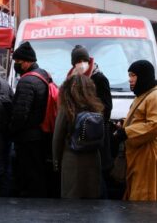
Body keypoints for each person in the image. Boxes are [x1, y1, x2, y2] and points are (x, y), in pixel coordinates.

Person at [10, 41, 54, 198]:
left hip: (28, 137)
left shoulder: (27, 81)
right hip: (41, 133)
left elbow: (20, 114)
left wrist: (11, 130)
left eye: (18, 62)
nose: (16, 65)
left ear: (27, 61)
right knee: (38, 170)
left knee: (29, 173)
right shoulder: (43, 74)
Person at [67, 45, 113, 198]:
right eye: (77, 61)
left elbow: (107, 107)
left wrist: (93, 120)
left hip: (96, 132)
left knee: (99, 172)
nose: (81, 63)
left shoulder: (99, 78)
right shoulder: (72, 78)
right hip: (81, 133)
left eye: (84, 60)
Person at [52, 75, 104, 199]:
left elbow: (57, 138)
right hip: (94, 159)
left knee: (72, 198)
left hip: (72, 159)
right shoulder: (97, 108)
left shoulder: (67, 109)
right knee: (91, 198)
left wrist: (56, 162)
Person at [114, 60, 157, 201]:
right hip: (137, 155)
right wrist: (123, 123)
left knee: (145, 196)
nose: (130, 79)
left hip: (147, 155)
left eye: (133, 75)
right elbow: (138, 118)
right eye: (129, 75)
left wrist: (127, 132)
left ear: (143, 76)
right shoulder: (143, 95)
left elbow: (154, 125)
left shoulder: (154, 96)